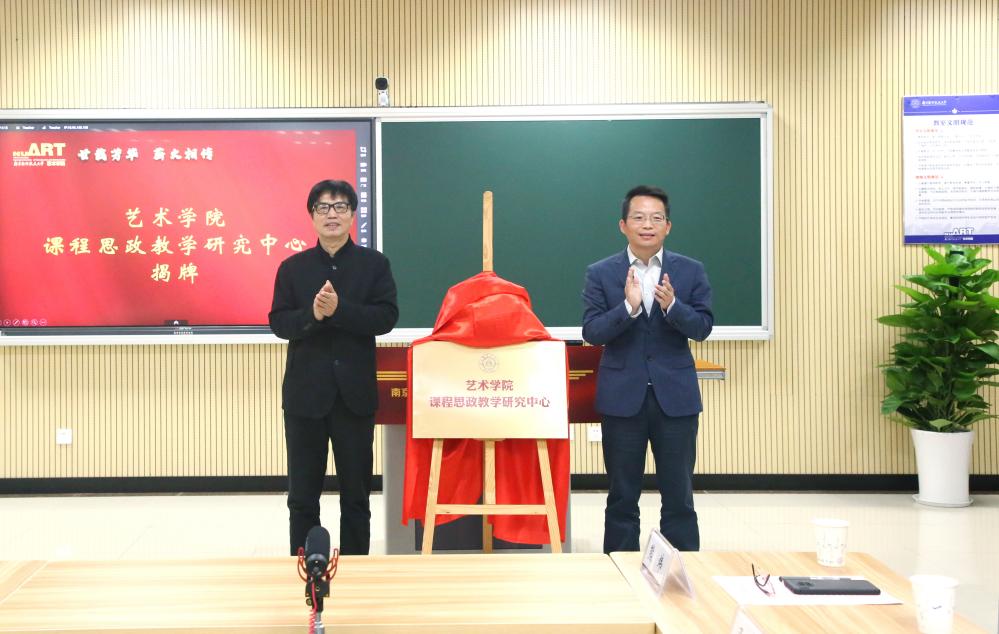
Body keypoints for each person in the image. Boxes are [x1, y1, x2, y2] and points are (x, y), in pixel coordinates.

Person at [269, 179, 398, 556]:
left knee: (356, 496)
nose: (332, 215)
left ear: (353, 215)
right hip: (305, 397)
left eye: (340, 207)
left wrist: (340, 310)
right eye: (323, 207)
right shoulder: (292, 268)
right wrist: (313, 314)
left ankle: (357, 572)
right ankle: (306, 570)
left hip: (354, 398)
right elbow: (279, 323)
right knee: (302, 497)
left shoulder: (374, 265)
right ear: (312, 216)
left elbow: (386, 317)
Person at [581, 184, 713, 553]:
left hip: (676, 400)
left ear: (668, 226)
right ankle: (619, 571)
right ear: (623, 225)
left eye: (656, 218)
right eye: (638, 217)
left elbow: (702, 328)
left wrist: (673, 307)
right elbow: (592, 332)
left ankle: (681, 572)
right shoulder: (600, 273)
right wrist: (628, 308)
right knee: (622, 496)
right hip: (623, 400)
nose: (647, 225)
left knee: (679, 496)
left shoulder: (690, 271)